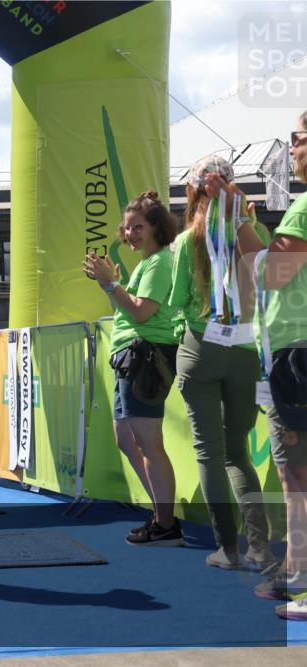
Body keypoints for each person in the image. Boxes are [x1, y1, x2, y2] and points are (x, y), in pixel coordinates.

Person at [168, 155, 273, 570]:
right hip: (246, 351)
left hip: (200, 349)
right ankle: (260, 548)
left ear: (194, 191)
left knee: (209, 452)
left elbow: (177, 300)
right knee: (237, 452)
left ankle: (227, 549)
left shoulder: (186, 242)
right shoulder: (256, 232)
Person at [83, 191, 182, 546]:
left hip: (146, 356)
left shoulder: (159, 263)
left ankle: (166, 523)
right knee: (127, 439)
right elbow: (130, 310)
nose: (130, 234)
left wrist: (110, 284)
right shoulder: (147, 263)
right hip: (132, 355)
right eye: (127, 228)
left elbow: (141, 312)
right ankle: (161, 515)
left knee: (147, 442)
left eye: (138, 227)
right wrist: (112, 286)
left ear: (156, 228)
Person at [247, 112, 307, 619]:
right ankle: (298, 571)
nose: (291, 149)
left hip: (297, 354)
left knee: (298, 476)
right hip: (294, 352)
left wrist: (236, 226)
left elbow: (272, 276)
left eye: (298, 138)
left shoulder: (304, 208)